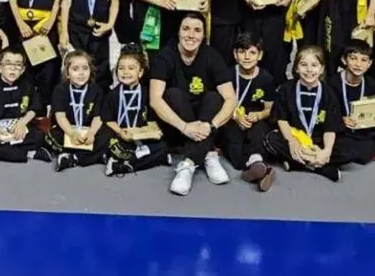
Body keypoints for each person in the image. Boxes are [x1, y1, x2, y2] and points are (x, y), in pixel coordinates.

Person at [149, 13, 238, 196]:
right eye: (186, 29)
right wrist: (184, 127)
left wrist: (211, 126)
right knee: (173, 94)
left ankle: (189, 163)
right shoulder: (164, 57)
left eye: (197, 30)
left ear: (204, 35)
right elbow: (155, 100)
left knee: (214, 98)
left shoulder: (212, 55)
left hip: (206, 122)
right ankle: (208, 152)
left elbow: (231, 99)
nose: (191, 35)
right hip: (178, 125)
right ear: (178, 32)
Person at [262, 46, 357, 182]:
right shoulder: (286, 89)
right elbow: (281, 119)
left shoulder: (329, 93)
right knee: (270, 139)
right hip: (296, 138)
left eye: (314, 65)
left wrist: (327, 150)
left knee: (349, 148)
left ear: (322, 69)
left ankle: (297, 163)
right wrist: (292, 142)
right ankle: (318, 168)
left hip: (319, 140)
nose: (309, 70)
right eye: (303, 65)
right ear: (296, 68)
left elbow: (331, 127)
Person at [217, 33, 276, 191]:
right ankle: (260, 168)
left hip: (254, 118)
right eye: (242, 52)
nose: (247, 57)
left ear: (260, 55)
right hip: (231, 117)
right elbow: (219, 104)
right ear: (235, 54)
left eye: (252, 52)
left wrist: (259, 115)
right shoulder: (227, 74)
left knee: (259, 135)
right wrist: (234, 116)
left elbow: (269, 109)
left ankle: (256, 166)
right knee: (234, 152)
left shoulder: (266, 78)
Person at [100, 45, 170, 177]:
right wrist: (120, 132)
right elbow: (108, 120)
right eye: (121, 68)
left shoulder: (147, 93)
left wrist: (154, 132)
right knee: (109, 143)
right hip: (120, 135)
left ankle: (122, 163)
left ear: (141, 72)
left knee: (163, 146)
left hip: (140, 137)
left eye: (131, 68)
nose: (125, 72)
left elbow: (151, 120)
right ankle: (141, 160)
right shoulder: (112, 95)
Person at [0, 48, 49, 163]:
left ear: (23, 70)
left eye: (18, 65)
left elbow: (34, 108)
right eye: (8, 64)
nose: (13, 68)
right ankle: (28, 153)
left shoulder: (27, 86)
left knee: (39, 136)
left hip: (20, 127)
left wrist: (22, 122)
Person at [45, 50, 108, 171]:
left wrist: (91, 133)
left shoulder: (97, 90)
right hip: (68, 129)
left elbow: (98, 117)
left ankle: (73, 157)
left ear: (90, 71)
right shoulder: (60, 90)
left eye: (85, 68)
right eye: (75, 69)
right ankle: (94, 156)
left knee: (108, 134)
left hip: (88, 129)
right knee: (49, 136)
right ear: (67, 73)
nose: (81, 73)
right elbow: (60, 116)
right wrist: (71, 133)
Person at [328, 41, 375, 165]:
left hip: (362, 131)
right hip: (339, 131)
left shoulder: (372, 84)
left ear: (369, 64)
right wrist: (341, 119)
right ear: (344, 60)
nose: (358, 64)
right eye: (353, 58)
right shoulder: (331, 83)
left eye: (364, 60)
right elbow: (324, 112)